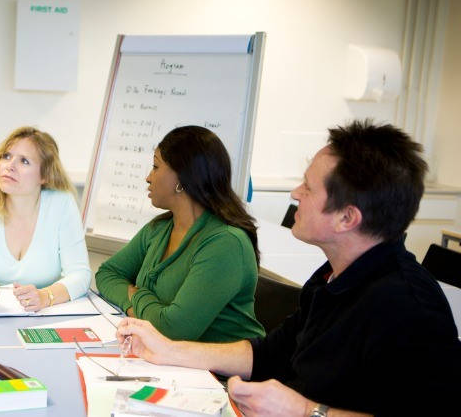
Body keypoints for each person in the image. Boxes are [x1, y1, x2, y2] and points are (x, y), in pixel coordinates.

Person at [117, 121, 461, 416]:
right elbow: (267, 354)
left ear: (347, 217)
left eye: (308, 188)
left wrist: (303, 411)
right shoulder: (332, 277)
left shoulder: (409, 308)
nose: (296, 193)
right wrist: (167, 349)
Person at [96, 126, 265, 342]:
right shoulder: (160, 228)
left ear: (182, 179)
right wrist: (142, 311)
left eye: (156, 167)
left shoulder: (226, 243)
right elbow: (107, 274)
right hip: (171, 361)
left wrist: (135, 294)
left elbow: (173, 330)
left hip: (219, 373)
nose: (148, 178)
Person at [0, 126, 91, 310]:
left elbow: (80, 274)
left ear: (44, 175)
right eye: (6, 156)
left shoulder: (62, 204)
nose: (9, 166)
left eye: (24, 161)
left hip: (45, 316)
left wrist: (45, 296)